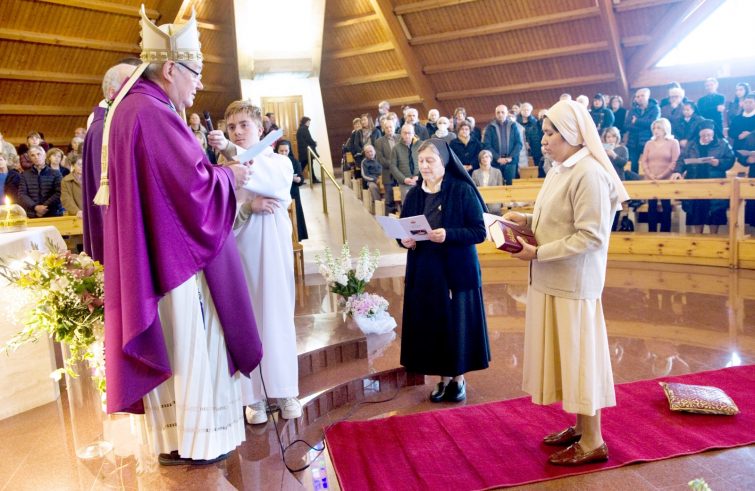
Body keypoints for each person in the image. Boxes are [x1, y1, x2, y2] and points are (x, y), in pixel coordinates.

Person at [99, 8, 261, 466]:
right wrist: (230, 176)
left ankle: (174, 440)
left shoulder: (133, 108)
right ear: (170, 68)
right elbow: (193, 190)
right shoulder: (153, 112)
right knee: (193, 340)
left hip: (155, 253)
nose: (199, 85)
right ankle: (201, 440)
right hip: (177, 261)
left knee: (173, 341)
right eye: (195, 73)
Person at [506, 99, 628, 466]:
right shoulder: (561, 169)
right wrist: (527, 220)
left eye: (550, 133)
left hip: (573, 283)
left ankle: (593, 441)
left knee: (581, 360)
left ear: (572, 133)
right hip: (553, 278)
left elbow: (591, 236)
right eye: (543, 132)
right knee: (570, 359)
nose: (543, 140)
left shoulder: (589, 173)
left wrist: (538, 253)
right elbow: (559, 218)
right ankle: (580, 426)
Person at [212, 100, 301, 425]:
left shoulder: (279, 162)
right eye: (231, 127)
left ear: (260, 129)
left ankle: (285, 391)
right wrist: (249, 208)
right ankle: (253, 398)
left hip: (274, 253)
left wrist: (230, 150)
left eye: (244, 125)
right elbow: (218, 213)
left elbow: (270, 181)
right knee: (247, 321)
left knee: (277, 319)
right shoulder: (225, 171)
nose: (237, 131)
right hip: (242, 252)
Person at [399, 138, 490, 403]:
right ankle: (442, 379)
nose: (424, 166)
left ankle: (458, 379)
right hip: (426, 272)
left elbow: (479, 231)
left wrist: (448, 234)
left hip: (456, 270)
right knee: (434, 325)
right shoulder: (414, 194)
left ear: (444, 161)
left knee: (455, 326)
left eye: (430, 160)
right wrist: (404, 240)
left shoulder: (462, 190)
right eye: (421, 161)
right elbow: (404, 229)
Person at [81, 58, 141, 264]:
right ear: (112, 93)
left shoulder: (111, 124)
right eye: (133, 87)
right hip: (121, 235)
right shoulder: (104, 129)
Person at [676, 119, 734, 234]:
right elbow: (681, 160)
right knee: (696, 211)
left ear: (713, 133)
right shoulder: (691, 144)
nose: (706, 138)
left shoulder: (722, 144)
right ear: (699, 134)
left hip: (715, 183)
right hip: (695, 182)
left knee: (715, 211)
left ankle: (714, 237)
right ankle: (698, 238)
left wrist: (719, 163)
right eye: (703, 135)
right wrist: (677, 171)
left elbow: (730, 159)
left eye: (709, 135)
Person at [640, 118, 681, 233]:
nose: (655, 130)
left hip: (666, 179)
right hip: (651, 179)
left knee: (666, 206)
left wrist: (663, 175)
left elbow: (675, 161)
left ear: (665, 129)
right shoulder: (649, 143)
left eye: (658, 128)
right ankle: (651, 232)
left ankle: (665, 233)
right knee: (651, 206)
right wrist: (650, 174)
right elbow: (644, 161)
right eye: (654, 128)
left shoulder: (673, 143)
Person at [17, 145, 63, 218]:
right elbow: (22, 194)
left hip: (53, 213)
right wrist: (35, 207)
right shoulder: (25, 175)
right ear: (30, 158)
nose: (36, 157)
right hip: (32, 213)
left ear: (44, 155)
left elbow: (59, 192)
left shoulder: (56, 173)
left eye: (39, 154)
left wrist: (44, 207)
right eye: (33, 155)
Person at [276, 139, 308, 240]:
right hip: (278, 193)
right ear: (277, 150)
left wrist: (297, 179)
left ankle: (296, 238)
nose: (283, 153)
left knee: (295, 215)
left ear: (289, 150)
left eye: (286, 151)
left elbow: (301, 179)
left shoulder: (294, 161)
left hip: (292, 193)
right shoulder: (273, 161)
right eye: (281, 151)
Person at [483, 104, 523, 184]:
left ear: (507, 113)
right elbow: (487, 145)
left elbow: (519, 144)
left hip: (511, 162)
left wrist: (510, 157)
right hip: (495, 162)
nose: (500, 114)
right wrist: (497, 158)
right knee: (496, 185)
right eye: (498, 112)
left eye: (502, 112)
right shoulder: (490, 127)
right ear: (495, 114)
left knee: (510, 186)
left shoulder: (513, 126)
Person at [625, 88, 660, 174]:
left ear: (648, 96)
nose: (639, 98)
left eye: (642, 96)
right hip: (633, 142)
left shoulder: (655, 108)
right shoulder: (632, 110)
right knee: (633, 164)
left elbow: (653, 124)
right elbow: (627, 125)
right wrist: (643, 126)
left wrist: (637, 121)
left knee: (650, 163)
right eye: (637, 96)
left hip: (648, 140)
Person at [374, 116, 399, 213]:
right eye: (386, 127)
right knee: (389, 200)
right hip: (388, 174)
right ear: (383, 129)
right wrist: (394, 165)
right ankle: (390, 219)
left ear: (394, 127)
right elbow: (380, 159)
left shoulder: (400, 138)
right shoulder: (379, 142)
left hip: (402, 174)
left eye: (391, 127)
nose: (389, 129)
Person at [390, 123, 420, 203]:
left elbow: (425, 164)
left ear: (413, 133)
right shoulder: (396, 148)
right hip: (404, 183)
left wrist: (418, 177)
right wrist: (404, 179)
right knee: (407, 204)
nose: (407, 135)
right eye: (404, 133)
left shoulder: (420, 145)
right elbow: (393, 166)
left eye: (409, 133)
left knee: (420, 204)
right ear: (401, 134)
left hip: (419, 181)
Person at [471, 149, 503, 214]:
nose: (484, 159)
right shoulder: (475, 173)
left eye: (486, 157)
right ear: (480, 160)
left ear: (490, 159)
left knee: (494, 209)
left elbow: (500, 188)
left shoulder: (497, 172)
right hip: (480, 199)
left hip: (494, 199)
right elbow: (473, 189)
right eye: (482, 157)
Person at [518, 102, 543, 176]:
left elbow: (536, 136)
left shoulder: (535, 122)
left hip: (533, 147)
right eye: (524, 110)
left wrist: (529, 142)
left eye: (528, 110)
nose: (526, 111)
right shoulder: (516, 122)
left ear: (530, 111)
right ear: (520, 110)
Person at [296, 116, 319, 182]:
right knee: (303, 165)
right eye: (308, 122)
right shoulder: (304, 129)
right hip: (306, 151)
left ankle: (313, 179)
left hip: (304, 150)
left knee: (308, 165)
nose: (309, 123)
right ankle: (296, 178)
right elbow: (309, 139)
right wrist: (314, 143)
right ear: (305, 122)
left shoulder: (301, 129)